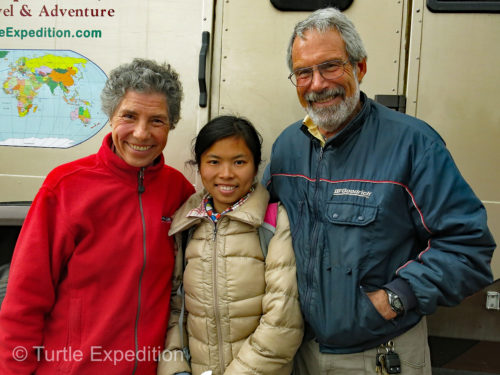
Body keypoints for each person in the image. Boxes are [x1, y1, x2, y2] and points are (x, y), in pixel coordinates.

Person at [263, 7, 496, 374]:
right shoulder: (287, 148)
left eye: (330, 66)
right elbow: (258, 225)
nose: (318, 84)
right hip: (300, 354)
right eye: (303, 72)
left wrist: (395, 298)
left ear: (360, 68)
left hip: (382, 357)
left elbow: (468, 247)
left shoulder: (413, 144)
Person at [0, 58, 195, 374]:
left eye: (157, 120)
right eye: (129, 116)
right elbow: (25, 297)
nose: (141, 133)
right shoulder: (65, 186)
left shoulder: (179, 191)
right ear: (110, 117)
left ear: (171, 124)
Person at [157, 116, 303, 375]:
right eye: (214, 162)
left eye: (239, 162)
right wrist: (175, 367)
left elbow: (282, 320)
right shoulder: (187, 224)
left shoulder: (273, 221)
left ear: (256, 165)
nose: (226, 174)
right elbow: (175, 310)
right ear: (199, 166)